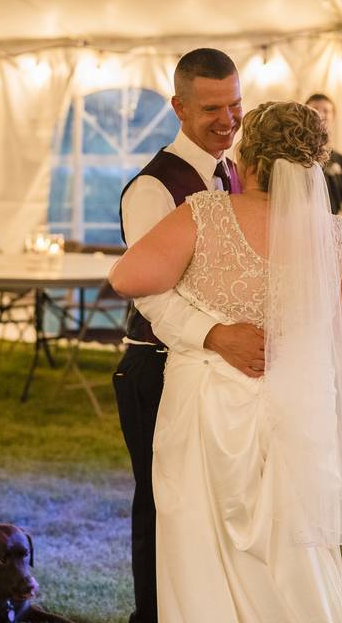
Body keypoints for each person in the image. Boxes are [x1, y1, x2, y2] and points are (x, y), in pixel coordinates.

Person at [109, 101, 342, 622]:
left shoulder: (206, 214)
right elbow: (334, 333)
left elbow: (126, 279)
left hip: (208, 408)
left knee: (200, 538)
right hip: (291, 413)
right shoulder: (334, 239)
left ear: (248, 158)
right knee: (288, 546)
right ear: (312, 165)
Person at [113, 48, 264, 623]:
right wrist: (217, 336)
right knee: (162, 505)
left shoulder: (236, 175)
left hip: (211, 373)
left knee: (211, 504)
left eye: (236, 105)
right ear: (178, 107)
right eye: (212, 109)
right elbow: (150, 292)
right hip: (155, 366)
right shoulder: (153, 189)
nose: (228, 120)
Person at [305, 93, 342, 216]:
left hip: (331, 230)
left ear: (333, 117)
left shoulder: (341, 160)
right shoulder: (294, 155)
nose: (320, 115)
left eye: (326, 111)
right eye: (315, 110)